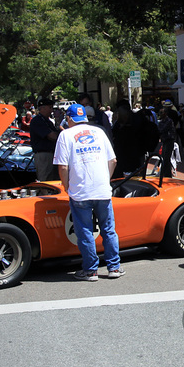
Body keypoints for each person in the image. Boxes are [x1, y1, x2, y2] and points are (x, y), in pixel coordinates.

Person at [53, 103, 124, 282]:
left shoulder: (65, 135)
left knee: (84, 231)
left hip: (80, 191)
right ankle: (114, 267)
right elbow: (113, 160)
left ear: (69, 119)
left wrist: (67, 185)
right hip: (102, 190)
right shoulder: (99, 132)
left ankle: (91, 270)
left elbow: (62, 166)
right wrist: (104, 180)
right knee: (108, 230)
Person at [30, 97, 60, 182]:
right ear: (42, 108)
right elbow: (52, 136)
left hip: (51, 153)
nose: (51, 110)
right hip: (43, 154)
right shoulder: (37, 121)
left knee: (53, 179)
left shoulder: (48, 121)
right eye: (49, 108)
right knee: (45, 179)